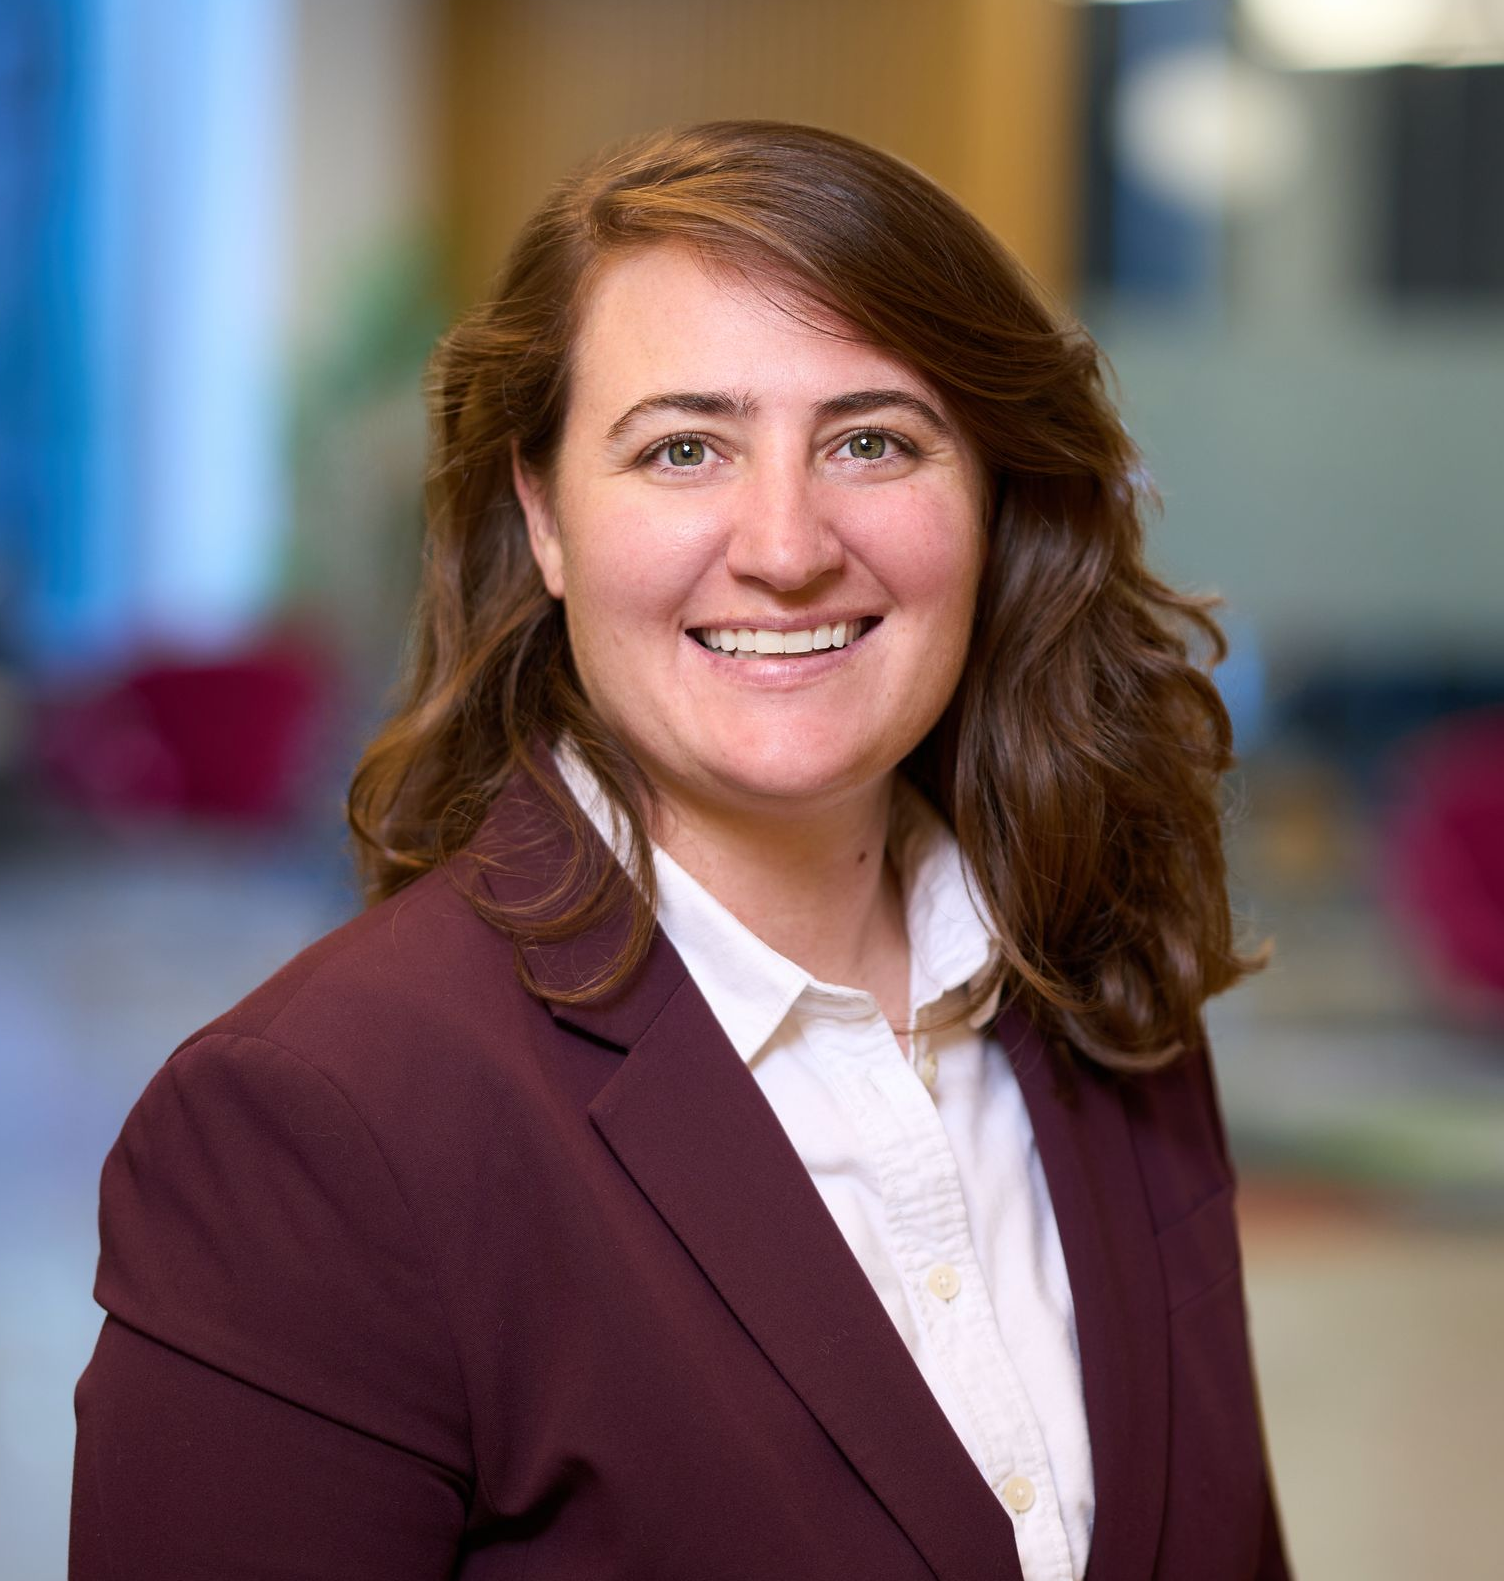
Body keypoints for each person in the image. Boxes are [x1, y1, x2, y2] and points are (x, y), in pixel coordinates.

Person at [70, 120, 1290, 1580]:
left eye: (872, 440)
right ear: (546, 518)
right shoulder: (321, 1122)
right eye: (683, 447)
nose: (785, 542)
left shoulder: (1109, 997)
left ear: (992, 495)